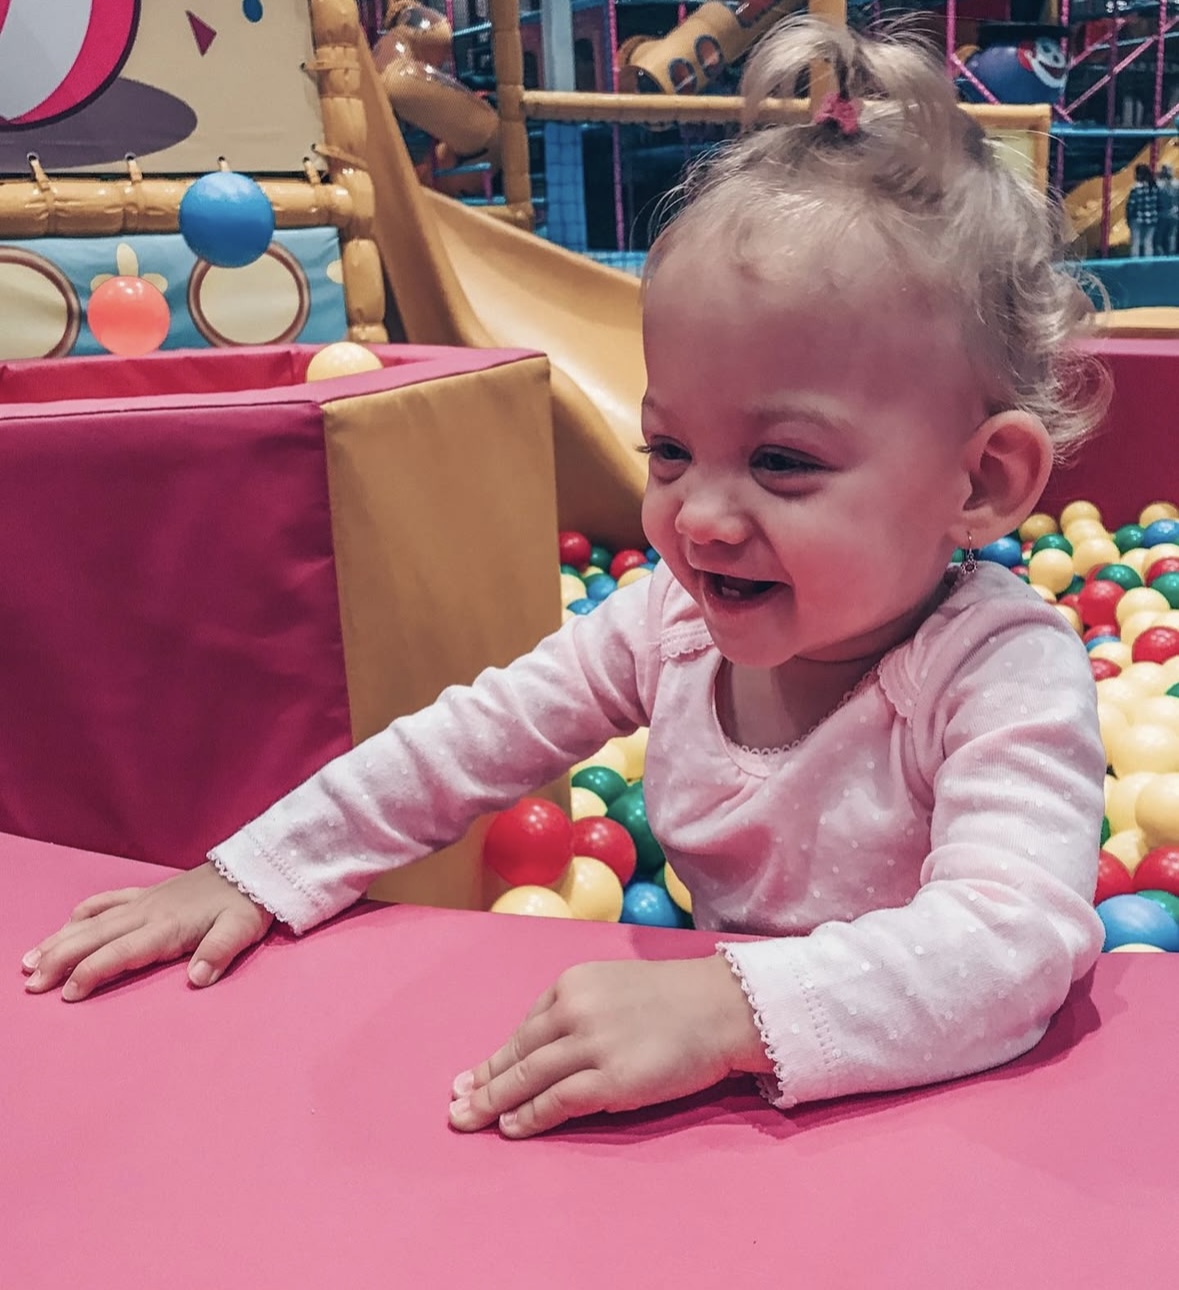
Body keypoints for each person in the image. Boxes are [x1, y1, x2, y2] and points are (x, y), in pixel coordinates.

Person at [22, 19, 1111, 1139]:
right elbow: (462, 743)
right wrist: (255, 872)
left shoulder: (995, 673)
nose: (698, 516)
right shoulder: (667, 626)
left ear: (982, 482)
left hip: (928, 1127)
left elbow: (1010, 940)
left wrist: (727, 1009)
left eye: (783, 462)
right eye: (669, 450)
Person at [1126, 163, 1159, 258]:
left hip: (1137, 218)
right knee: (1148, 241)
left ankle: (1135, 261)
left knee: (1135, 241)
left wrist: (1128, 217)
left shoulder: (1136, 188)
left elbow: (1131, 205)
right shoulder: (1154, 187)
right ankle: (1148, 262)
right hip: (1152, 218)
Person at [1155, 163, 1178, 257]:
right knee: (1172, 236)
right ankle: (1171, 254)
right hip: (1174, 213)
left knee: (1159, 237)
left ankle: (1160, 255)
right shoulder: (1177, 184)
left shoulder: (1158, 184)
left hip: (1161, 214)